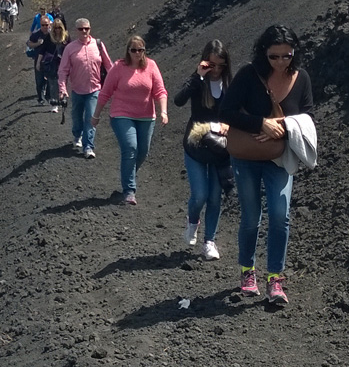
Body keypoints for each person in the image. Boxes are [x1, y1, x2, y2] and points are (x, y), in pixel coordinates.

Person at [220, 25, 313, 305]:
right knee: (251, 217)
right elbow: (226, 111)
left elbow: (307, 115)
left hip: (279, 158)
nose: (281, 61)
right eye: (274, 57)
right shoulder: (249, 75)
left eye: (287, 55)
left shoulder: (302, 78)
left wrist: (282, 128)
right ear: (264, 53)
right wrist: (260, 123)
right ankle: (248, 272)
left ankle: (276, 278)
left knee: (280, 215)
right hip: (246, 157)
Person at [174, 40, 233, 260]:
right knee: (200, 195)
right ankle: (192, 221)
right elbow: (178, 101)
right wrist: (197, 76)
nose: (216, 70)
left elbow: (238, 112)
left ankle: (209, 241)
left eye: (220, 65)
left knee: (215, 198)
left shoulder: (229, 85)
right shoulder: (198, 82)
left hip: (220, 149)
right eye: (211, 64)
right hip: (196, 144)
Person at [92, 35, 168, 205]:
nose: (137, 53)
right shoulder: (119, 67)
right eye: (133, 50)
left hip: (146, 117)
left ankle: (128, 175)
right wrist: (96, 115)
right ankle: (129, 191)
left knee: (142, 153)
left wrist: (164, 111)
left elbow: (160, 91)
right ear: (128, 51)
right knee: (130, 148)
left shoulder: (151, 66)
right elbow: (105, 92)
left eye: (140, 50)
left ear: (144, 51)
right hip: (122, 115)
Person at [58, 18, 112, 159]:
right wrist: (62, 89)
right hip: (77, 90)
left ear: (90, 29)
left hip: (95, 89)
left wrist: (117, 83)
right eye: (81, 29)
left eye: (86, 28)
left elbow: (108, 65)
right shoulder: (70, 48)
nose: (84, 31)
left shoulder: (98, 45)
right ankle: (77, 134)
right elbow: (63, 70)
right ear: (76, 31)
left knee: (91, 118)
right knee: (77, 117)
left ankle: (88, 147)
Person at [41, 19, 69, 113]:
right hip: (52, 64)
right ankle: (54, 104)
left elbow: (71, 50)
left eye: (59, 28)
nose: (57, 30)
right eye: (55, 28)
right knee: (52, 84)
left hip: (63, 63)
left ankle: (62, 100)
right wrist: (38, 63)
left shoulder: (66, 37)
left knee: (62, 83)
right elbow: (42, 50)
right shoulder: (49, 37)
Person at [27, 15, 54, 105]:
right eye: (43, 25)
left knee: (50, 79)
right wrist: (37, 44)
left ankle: (48, 96)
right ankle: (40, 98)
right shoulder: (36, 34)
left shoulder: (52, 35)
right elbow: (29, 44)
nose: (45, 27)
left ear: (49, 25)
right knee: (39, 80)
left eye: (46, 25)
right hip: (38, 60)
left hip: (50, 61)